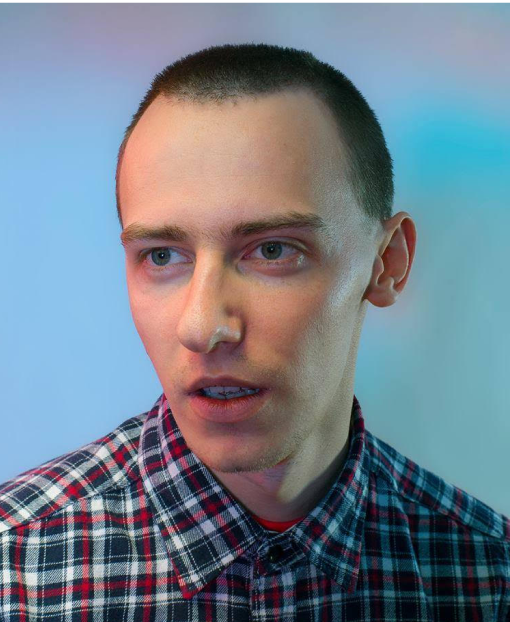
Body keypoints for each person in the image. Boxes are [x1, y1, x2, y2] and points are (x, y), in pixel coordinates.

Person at [0, 42, 508, 622]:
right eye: (162, 256)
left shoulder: (489, 579)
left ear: (387, 263)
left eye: (272, 251)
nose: (202, 327)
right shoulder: (13, 574)